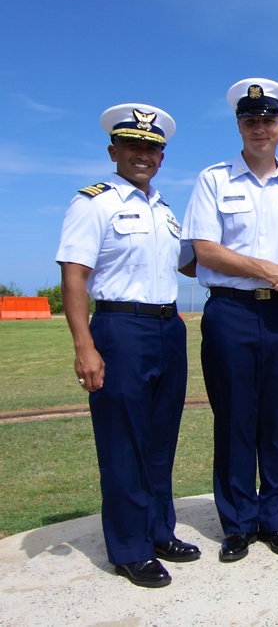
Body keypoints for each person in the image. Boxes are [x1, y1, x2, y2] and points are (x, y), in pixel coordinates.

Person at [181, 78, 278, 563]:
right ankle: (239, 524)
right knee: (235, 418)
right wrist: (264, 268)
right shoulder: (214, 180)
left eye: (268, 120)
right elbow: (204, 250)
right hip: (231, 312)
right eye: (250, 120)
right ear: (239, 126)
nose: (259, 128)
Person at [55, 103, 199, 588]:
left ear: (162, 157)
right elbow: (74, 275)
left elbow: (191, 264)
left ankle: (159, 532)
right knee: (123, 443)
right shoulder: (93, 202)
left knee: (160, 441)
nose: (143, 154)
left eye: (152, 148)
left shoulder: (165, 208)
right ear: (113, 150)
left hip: (168, 329)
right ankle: (129, 548)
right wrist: (85, 345)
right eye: (133, 145)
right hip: (119, 330)